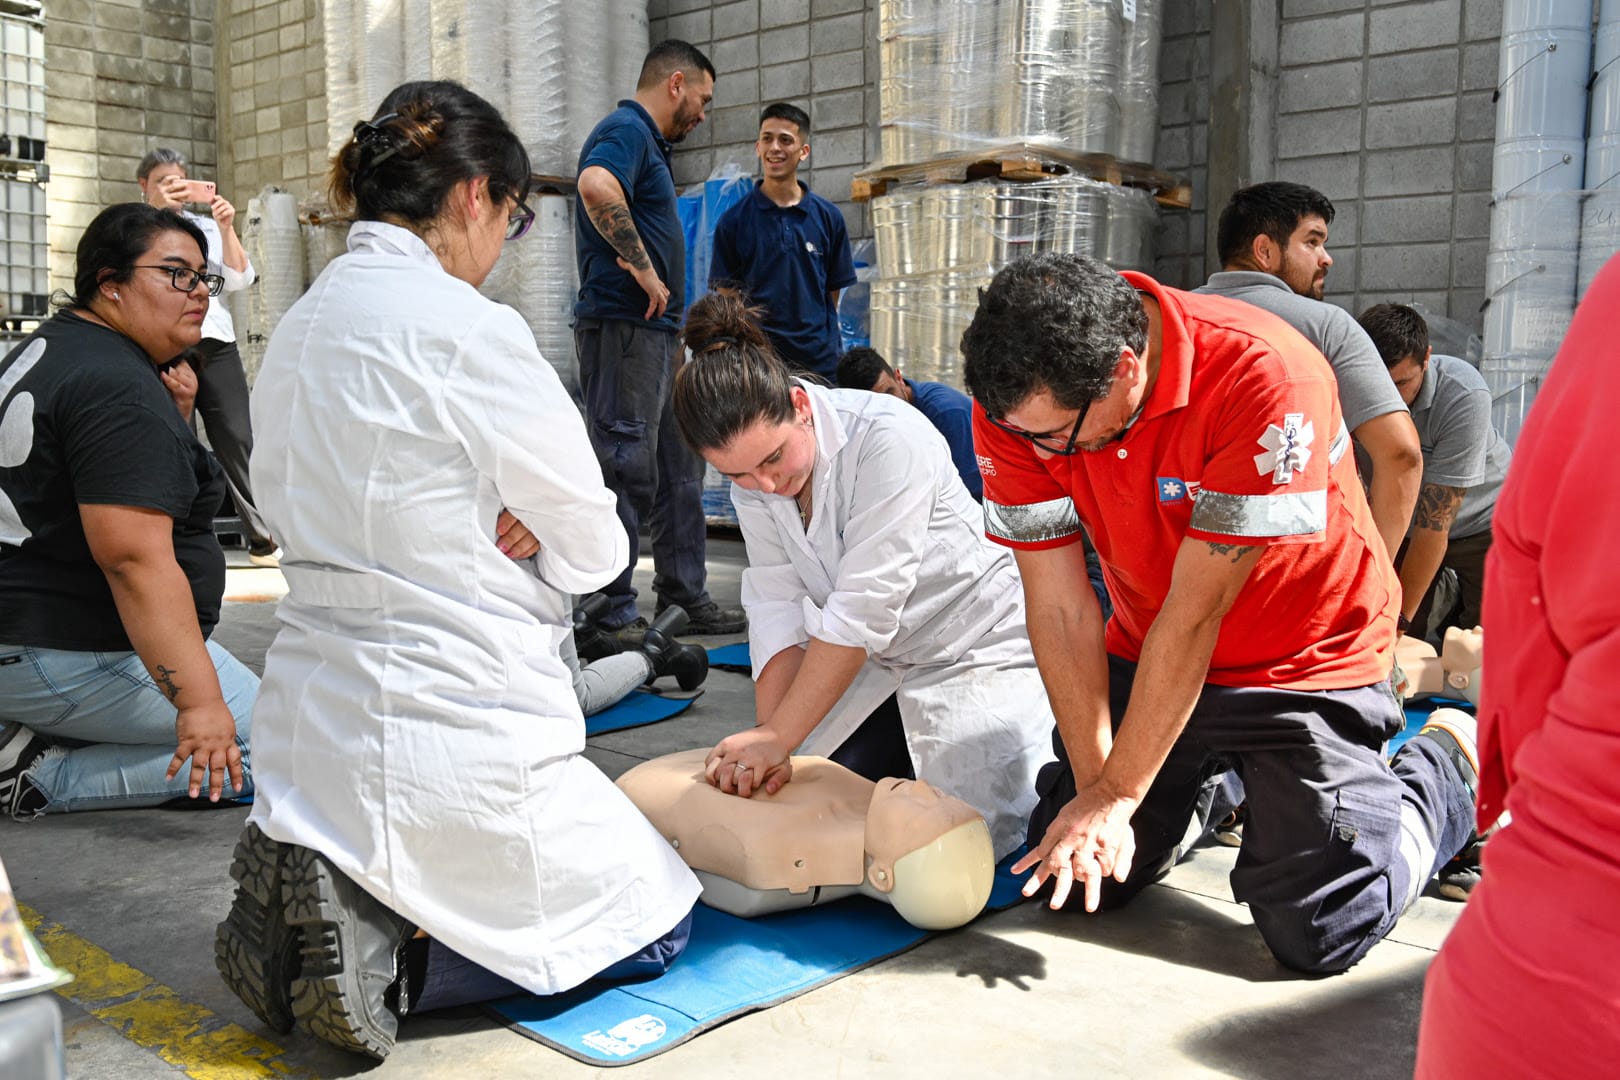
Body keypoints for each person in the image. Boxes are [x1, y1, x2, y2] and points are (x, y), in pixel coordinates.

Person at [215, 82, 699, 1061]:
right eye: (515, 221)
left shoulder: (304, 327)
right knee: (657, 920)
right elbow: (602, 545)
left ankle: (340, 892)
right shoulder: (467, 331)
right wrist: (523, 518)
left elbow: (279, 497)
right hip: (454, 722)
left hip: (317, 715)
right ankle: (381, 957)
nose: (503, 245)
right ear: (476, 196)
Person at [961, 253, 1477, 973]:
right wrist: (1097, 791)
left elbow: (1197, 615)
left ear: (1124, 368)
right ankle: (1218, 780)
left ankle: (1446, 773)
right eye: (1022, 435)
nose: (1043, 452)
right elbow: (1060, 606)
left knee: (1322, 929)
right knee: (1080, 876)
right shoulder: (1020, 411)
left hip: (1304, 655)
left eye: (1057, 437)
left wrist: (1119, 792)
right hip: (1151, 642)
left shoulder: (1264, 377)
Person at [671, 292, 1054, 860]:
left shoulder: (889, 437)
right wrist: (773, 740)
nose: (766, 486)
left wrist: (779, 739)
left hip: (974, 645)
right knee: (817, 795)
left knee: (954, 839)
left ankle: (1198, 798)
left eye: (774, 459)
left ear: (800, 405)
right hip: (876, 661)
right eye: (739, 474)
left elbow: (863, 607)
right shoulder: (752, 484)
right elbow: (777, 605)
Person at [1414, 257, 1620, 1078]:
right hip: (1556, 968)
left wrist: (1505, 790)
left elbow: (1515, 562)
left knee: (1454, 654)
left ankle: (1449, 759)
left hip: (1547, 970)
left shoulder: (1460, 390)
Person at [0, 202, 255, 818]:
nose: (197, 292)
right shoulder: (114, 385)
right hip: (57, 646)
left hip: (31, 632)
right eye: (175, 274)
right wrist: (199, 707)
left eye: (202, 277)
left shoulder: (53, 349)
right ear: (109, 283)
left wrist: (177, 419)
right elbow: (134, 561)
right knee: (295, 750)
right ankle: (33, 774)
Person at [574, 39, 744, 638]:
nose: (702, 113)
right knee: (623, 467)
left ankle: (683, 596)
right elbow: (597, 185)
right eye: (702, 98)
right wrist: (643, 266)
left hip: (658, 336)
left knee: (680, 469)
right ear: (676, 83)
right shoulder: (625, 129)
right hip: (624, 330)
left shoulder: (651, 146)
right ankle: (611, 609)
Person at [1197, 182, 1421, 564]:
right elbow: (1401, 454)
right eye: (1312, 242)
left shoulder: (1170, 321)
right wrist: (1375, 573)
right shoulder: (1325, 326)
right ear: (1264, 251)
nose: (1327, 258)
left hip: (1178, 566)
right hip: (1296, 573)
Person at [619, 747, 995, 929]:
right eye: (942, 796)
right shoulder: (868, 796)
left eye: (922, 810)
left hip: (645, 791)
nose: (925, 787)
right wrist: (774, 734)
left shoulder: (773, 849)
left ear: (883, 876)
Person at [136, 149, 277, 567]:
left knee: (236, 434)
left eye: (181, 180)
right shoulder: (135, 226)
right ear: (144, 186)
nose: (174, 188)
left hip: (213, 339)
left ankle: (263, 538)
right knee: (171, 435)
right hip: (161, 340)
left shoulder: (204, 227)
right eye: (164, 181)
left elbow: (239, 278)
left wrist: (227, 226)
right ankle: (168, 536)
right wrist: (158, 215)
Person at [1356, 303, 1509, 643]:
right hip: (1407, 524)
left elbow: (1434, 526)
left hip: (1484, 524)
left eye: (1401, 383)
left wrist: (1398, 620)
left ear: (1426, 358)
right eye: (1378, 383)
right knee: (1404, 638)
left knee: (1485, 641)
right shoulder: (1350, 385)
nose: (1386, 397)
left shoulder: (1463, 394)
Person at [709, 103, 857, 382]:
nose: (775, 148)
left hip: (819, 364)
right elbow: (729, 298)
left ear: (804, 152)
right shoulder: (733, 222)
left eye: (786, 140)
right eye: (767, 138)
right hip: (759, 366)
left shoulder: (829, 218)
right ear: (757, 147)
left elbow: (832, 293)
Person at [835, 345, 982, 501]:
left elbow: (972, 490)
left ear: (899, 378)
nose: (888, 408)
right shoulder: (859, 424)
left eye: (889, 395)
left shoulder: (946, 413)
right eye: (876, 405)